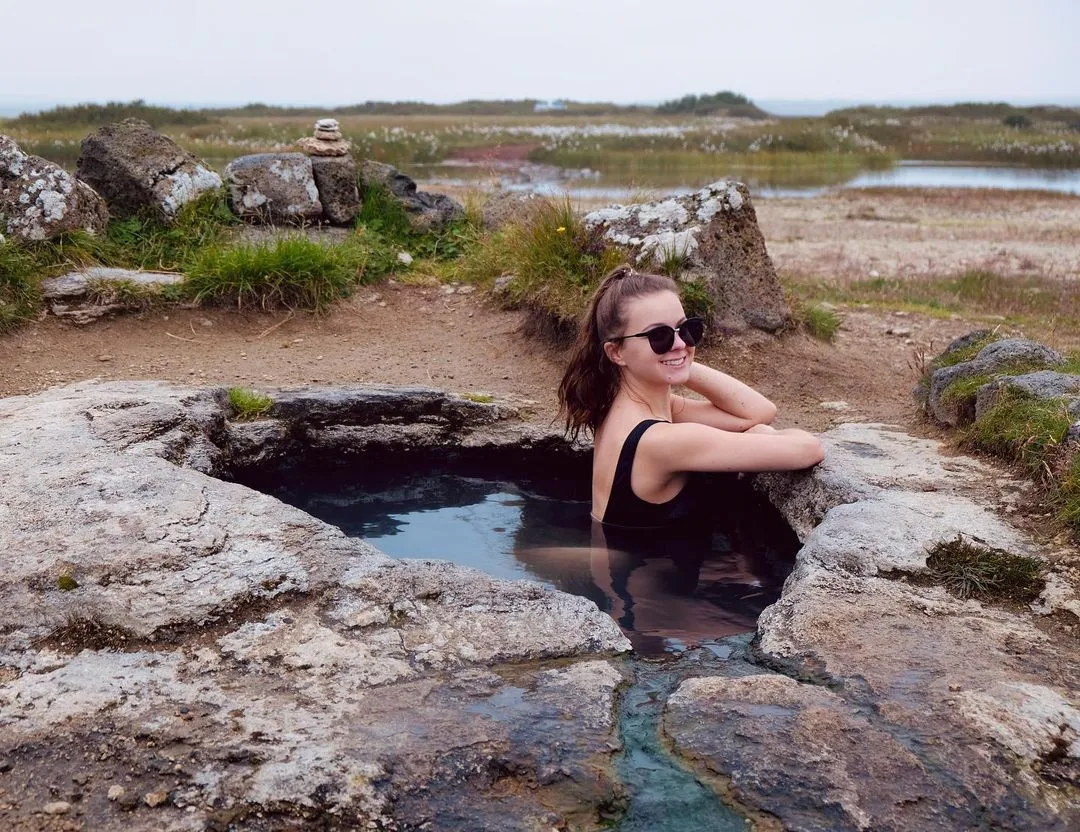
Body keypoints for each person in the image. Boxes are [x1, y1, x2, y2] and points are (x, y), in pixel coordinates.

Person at [558, 264, 825, 531]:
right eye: (658, 336)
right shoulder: (661, 440)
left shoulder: (625, 405)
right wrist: (765, 436)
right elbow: (808, 449)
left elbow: (758, 412)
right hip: (654, 567)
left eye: (686, 329)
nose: (680, 342)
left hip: (629, 562)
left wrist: (676, 359)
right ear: (616, 353)